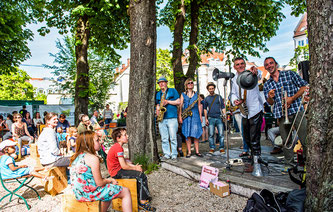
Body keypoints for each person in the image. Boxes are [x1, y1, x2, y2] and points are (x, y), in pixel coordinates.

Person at [70, 131, 132, 212]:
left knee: (108, 190)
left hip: (79, 193)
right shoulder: (92, 158)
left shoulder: (77, 157)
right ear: (89, 143)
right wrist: (109, 180)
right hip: (89, 193)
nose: (100, 142)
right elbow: (99, 183)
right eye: (97, 140)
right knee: (125, 191)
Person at [263, 57, 308, 166]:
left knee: (305, 139)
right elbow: (270, 103)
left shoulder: (289, 74)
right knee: (286, 142)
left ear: (276, 64)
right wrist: (270, 97)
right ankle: (289, 164)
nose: (269, 66)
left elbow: (304, 86)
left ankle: (309, 163)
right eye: (267, 65)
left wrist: (292, 98)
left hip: (296, 111)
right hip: (282, 115)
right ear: (265, 68)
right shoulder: (267, 84)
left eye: (271, 63)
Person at [107, 128, 155, 212]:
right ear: (118, 138)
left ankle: (139, 197)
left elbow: (124, 162)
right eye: (125, 135)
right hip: (116, 173)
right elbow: (124, 166)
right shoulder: (118, 148)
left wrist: (133, 166)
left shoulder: (117, 147)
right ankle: (142, 202)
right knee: (141, 176)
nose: (127, 136)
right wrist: (135, 168)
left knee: (137, 174)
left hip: (118, 170)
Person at [230, 57, 264, 172]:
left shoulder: (251, 73)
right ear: (234, 67)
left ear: (244, 64)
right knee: (247, 137)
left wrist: (256, 70)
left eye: (242, 63)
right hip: (244, 111)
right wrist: (235, 100)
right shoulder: (234, 79)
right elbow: (233, 93)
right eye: (237, 64)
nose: (240, 66)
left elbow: (260, 75)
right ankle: (253, 159)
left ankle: (257, 163)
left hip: (255, 109)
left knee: (255, 138)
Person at [155, 77, 180, 161]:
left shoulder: (173, 90)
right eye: (160, 83)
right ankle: (166, 154)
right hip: (162, 118)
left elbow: (178, 102)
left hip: (172, 118)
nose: (161, 84)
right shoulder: (158, 94)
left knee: (173, 137)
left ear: (166, 83)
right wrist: (157, 110)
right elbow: (157, 104)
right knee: (164, 138)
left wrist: (168, 101)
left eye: (163, 82)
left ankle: (174, 154)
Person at [178, 78, 203, 158]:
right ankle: (189, 152)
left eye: (192, 83)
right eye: (189, 83)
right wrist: (180, 116)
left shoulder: (197, 94)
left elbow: (199, 105)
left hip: (195, 115)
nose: (190, 84)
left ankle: (197, 151)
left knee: (196, 134)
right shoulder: (183, 94)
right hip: (186, 116)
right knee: (187, 134)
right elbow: (180, 106)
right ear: (186, 85)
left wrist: (200, 116)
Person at [203, 82, 226, 154]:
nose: (211, 90)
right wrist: (206, 119)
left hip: (219, 117)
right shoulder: (206, 99)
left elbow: (223, 107)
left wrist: (224, 115)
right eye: (210, 89)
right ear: (208, 89)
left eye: (212, 88)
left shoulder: (219, 97)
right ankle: (212, 148)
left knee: (221, 134)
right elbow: (205, 109)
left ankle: (221, 147)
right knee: (211, 134)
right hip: (210, 118)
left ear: (214, 88)